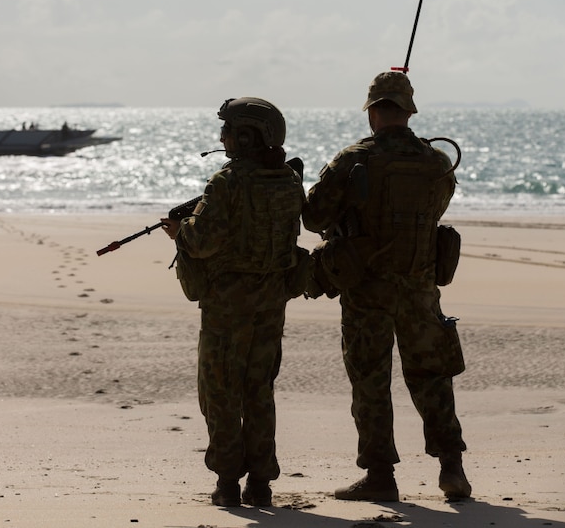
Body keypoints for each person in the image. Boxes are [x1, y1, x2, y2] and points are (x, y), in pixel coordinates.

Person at [302, 71, 471, 502]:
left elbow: (314, 218)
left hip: (367, 290)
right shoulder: (436, 161)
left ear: (373, 112)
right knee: (433, 377)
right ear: (409, 111)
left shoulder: (353, 159)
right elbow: (437, 206)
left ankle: (380, 475)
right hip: (420, 289)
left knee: (370, 381)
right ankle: (451, 466)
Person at [161, 97, 305, 507]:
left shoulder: (226, 182)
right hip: (272, 300)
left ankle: (227, 483)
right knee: (258, 389)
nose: (222, 138)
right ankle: (260, 483)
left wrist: (181, 230)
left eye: (227, 130)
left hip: (227, 305)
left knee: (220, 391)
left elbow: (202, 241)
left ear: (246, 135)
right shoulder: (288, 180)